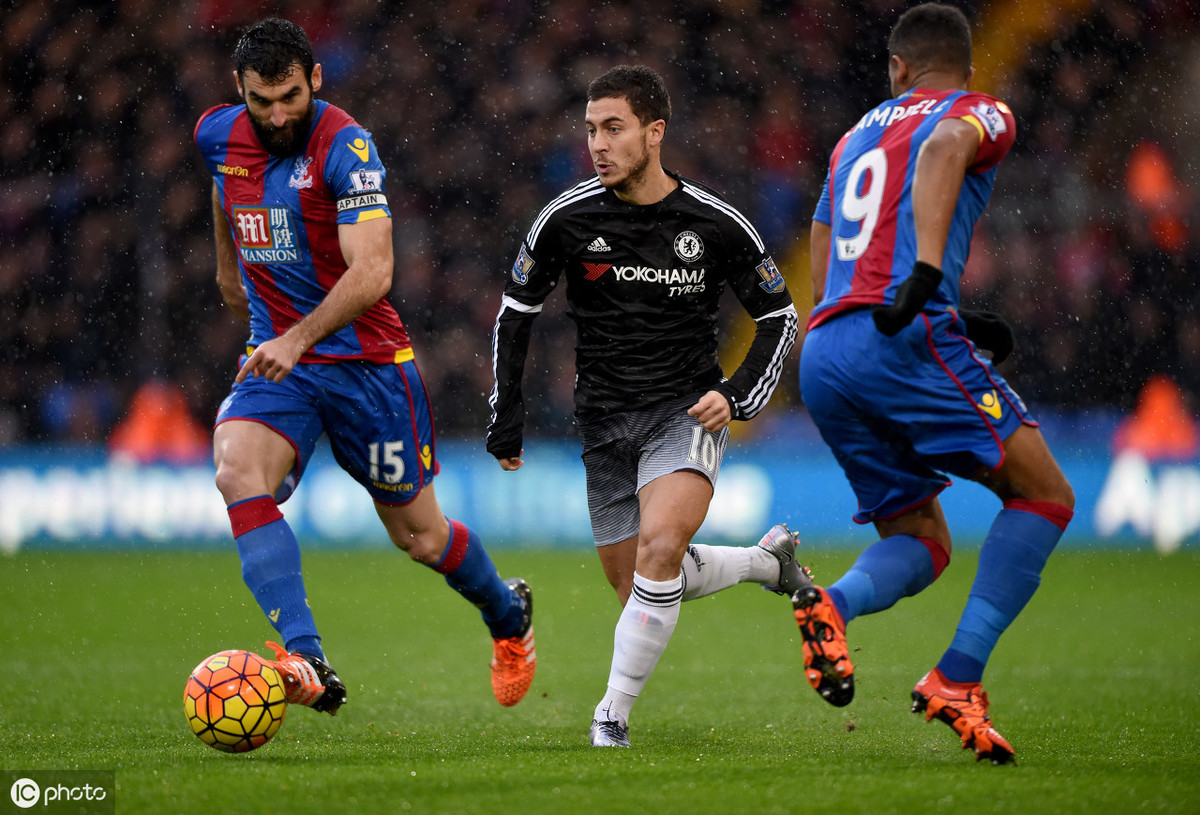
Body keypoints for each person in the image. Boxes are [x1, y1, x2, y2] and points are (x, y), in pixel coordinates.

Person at [194, 17, 536, 716]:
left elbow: (374, 270)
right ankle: (305, 654)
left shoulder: (346, 147)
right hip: (280, 363)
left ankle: (509, 616)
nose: (278, 114)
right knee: (236, 467)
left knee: (421, 536)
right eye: (262, 101)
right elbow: (220, 184)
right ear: (241, 91)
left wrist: (298, 337)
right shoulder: (217, 134)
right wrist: (227, 265)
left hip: (368, 365)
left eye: (290, 96)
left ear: (314, 79)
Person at [488, 65, 807, 748]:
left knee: (662, 550)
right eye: (591, 130)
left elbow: (780, 315)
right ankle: (765, 562)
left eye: (613, 128)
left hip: (682, 413)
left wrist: (735, 393)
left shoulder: (713, 223)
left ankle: (611, 715)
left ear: (654, 132)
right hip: (602, 423)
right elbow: (515, 313)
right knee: (644, 579)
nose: (598, 144)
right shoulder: (566, 218)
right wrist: (506, 415)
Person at [792, 2, 1074, 764]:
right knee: (1044, 494)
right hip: (901, 338)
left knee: (921, 537)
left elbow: (825, 234)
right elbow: (947, 146)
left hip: (826, 350)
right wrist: (923, 277)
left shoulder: (855, 135)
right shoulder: (977, 111)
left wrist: (852, 315)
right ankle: (957, 677)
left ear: (897, 67)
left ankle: (833, 603)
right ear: (963, 66)